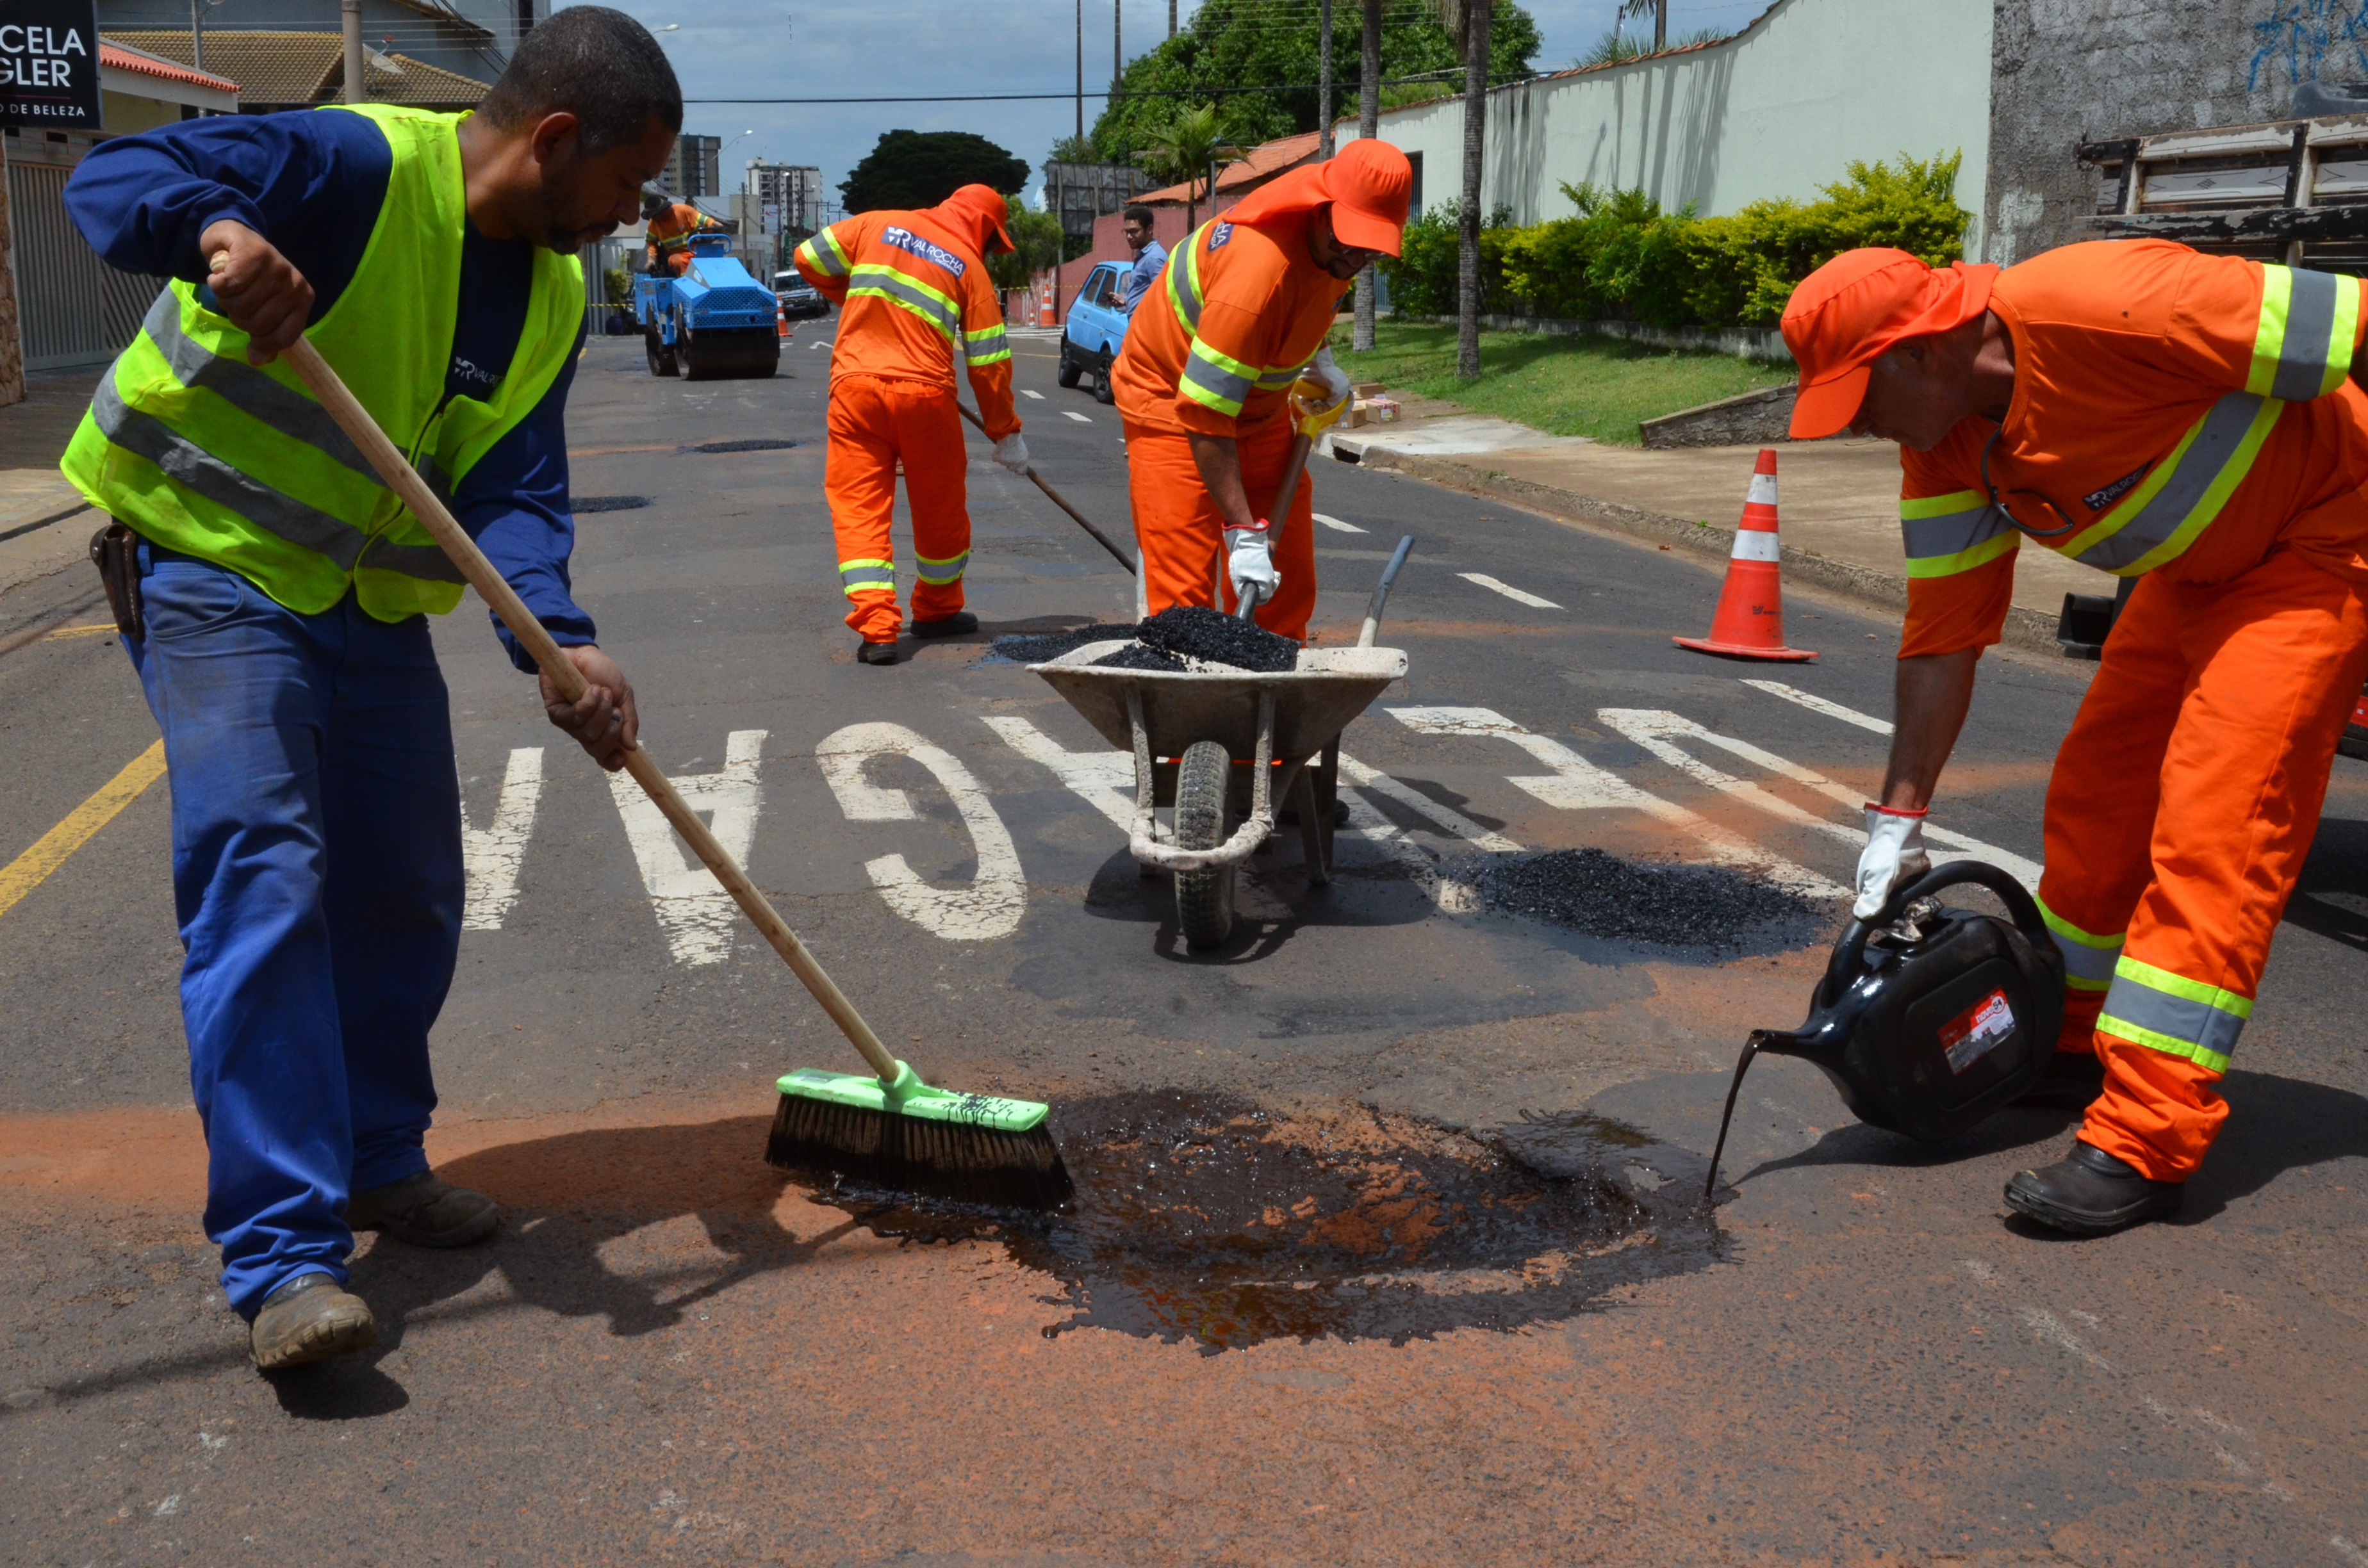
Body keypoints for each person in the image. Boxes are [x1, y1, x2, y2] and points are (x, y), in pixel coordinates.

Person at [56, 6, 677, 1369]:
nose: (633, 217)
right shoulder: (354, 166)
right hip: (210, 568)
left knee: (404, 887)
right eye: (629, 183)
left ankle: (379, 1155)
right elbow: (107, 177)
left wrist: (558, 643)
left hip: (365, 607)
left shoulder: (558, 294)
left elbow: (514, 495)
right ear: (557, 138)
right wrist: (214, 237)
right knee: (265, 873)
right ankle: (283, 1257)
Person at [1784, 241, 2368, 1234]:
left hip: (2319, 542)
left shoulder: (2115, 303)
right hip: (2191, 574)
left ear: (1925, 351)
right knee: (2097, 804)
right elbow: (1942, 640)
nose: (1862, 426)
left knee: (2218, 829)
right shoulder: (1943, 441)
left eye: (1861, 397)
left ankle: (2147, 1135)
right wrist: (1898, 818)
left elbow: (2352, 327)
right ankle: (2069, 1041)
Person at [1109, 139, 1409, 641]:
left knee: (1285, 571)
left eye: (1370, 246)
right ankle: (1190, 706)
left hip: (1259, 411)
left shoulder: (1334, 246)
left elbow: (1304, 300)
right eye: (1349, 240)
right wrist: (1242, 533)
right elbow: (1203, 412)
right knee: (1185, 599)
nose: (1356, 256)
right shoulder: (1256, 273)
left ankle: (1274, 697)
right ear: (1322, 208)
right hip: (1169, 403)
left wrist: (1321, 363)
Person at [791, 184, 1026, 663]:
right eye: (992, 241)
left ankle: (877, 628)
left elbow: (807, 257)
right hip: (926, 397)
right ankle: (936, 610)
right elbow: (989, 363)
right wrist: (1006, 433)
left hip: (854, 388)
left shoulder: (875, 222)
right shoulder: (969, 266)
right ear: (983, 228)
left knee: (858, 506)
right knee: (939, 506)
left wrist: (858, 302)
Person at [643, 190, 722, 275]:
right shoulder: (654, 223)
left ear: (664, 210)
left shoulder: (683, 210)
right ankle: (686, 284)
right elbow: (651, 243)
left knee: (716, 262)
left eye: (657, 214)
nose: (656, 218)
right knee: (679, 262)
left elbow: (703, 219)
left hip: (697, 251)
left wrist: (713, 223)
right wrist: (651, 259)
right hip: (676, 254)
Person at [1119, 204, 1165, 314]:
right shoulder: (1143, 255)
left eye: (1134, 231)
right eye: (1126, 232)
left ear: (1149, 229)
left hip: (1147, 328)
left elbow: (1163, 297)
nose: (1129, 237)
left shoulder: (1153, 258)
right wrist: (1125, 301)